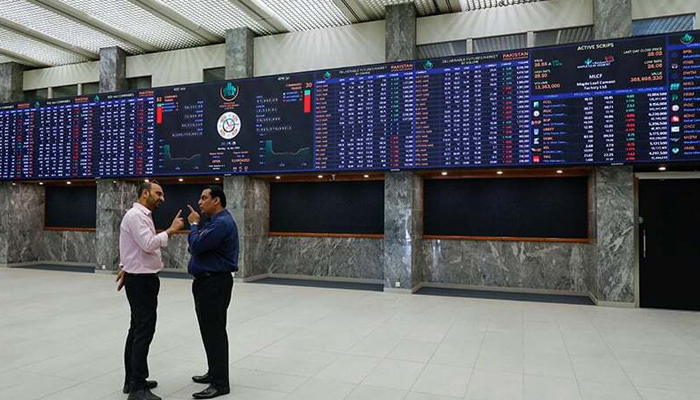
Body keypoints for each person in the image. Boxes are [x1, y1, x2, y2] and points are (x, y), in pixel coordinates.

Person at [116, 181, 184, 400]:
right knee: (143, 330)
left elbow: (129, 246)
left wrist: (124, 266)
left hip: (141, 277)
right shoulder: (136, 216)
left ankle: (133, 379)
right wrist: (171, 230)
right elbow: (147, 244)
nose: (162, 198)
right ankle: (136, 388)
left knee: (137, 329)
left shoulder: (142, 215)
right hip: (141, 281)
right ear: (145, 193)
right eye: (158, 193)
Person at [186, 185, 239, 399]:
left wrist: (194, 225)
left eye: (204, 198)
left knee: (215, 332)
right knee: (209, 331)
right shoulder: (216, 222)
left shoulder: (221, 223)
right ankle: (214, 372)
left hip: (214, 284)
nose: (200, 202)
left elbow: (196, 245)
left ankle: (220, 383)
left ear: (216, 200)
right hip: (208, 283)